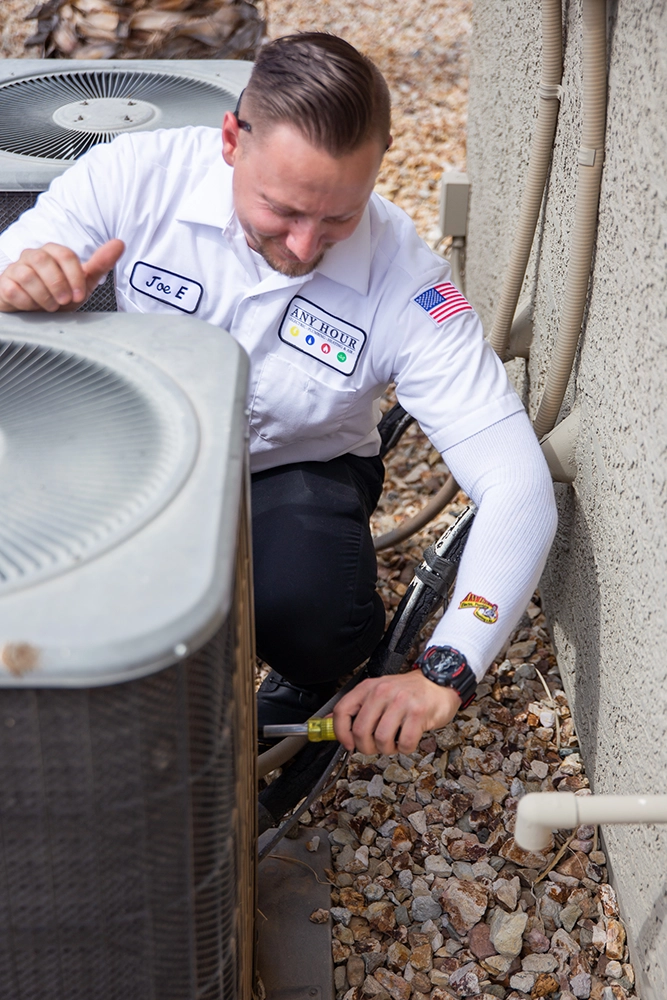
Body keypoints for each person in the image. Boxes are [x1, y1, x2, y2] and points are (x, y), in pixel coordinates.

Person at [0, 33, 557, 755]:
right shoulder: (134, 175)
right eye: (282, 211)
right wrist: (20, 281)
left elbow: (516, 485)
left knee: (313, 614)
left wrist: (446, 666)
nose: (301, 246)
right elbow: (17, 262)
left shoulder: (408, 285)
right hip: (128, 445)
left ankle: (312, 667)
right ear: (231, 139)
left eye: (336, 220)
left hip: (289, 470)